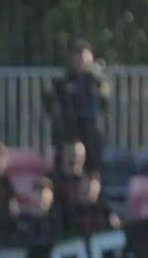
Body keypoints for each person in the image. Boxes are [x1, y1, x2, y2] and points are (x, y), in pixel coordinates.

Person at [45, 41, 109, 172]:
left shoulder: (97, 82)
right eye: (78, 57)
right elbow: (51, 106)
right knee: (66, 169)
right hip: (68, 134)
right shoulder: (62, 82)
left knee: (93, 170)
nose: (81, 62)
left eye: (84, 58)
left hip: (91, 135)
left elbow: (105, 105)